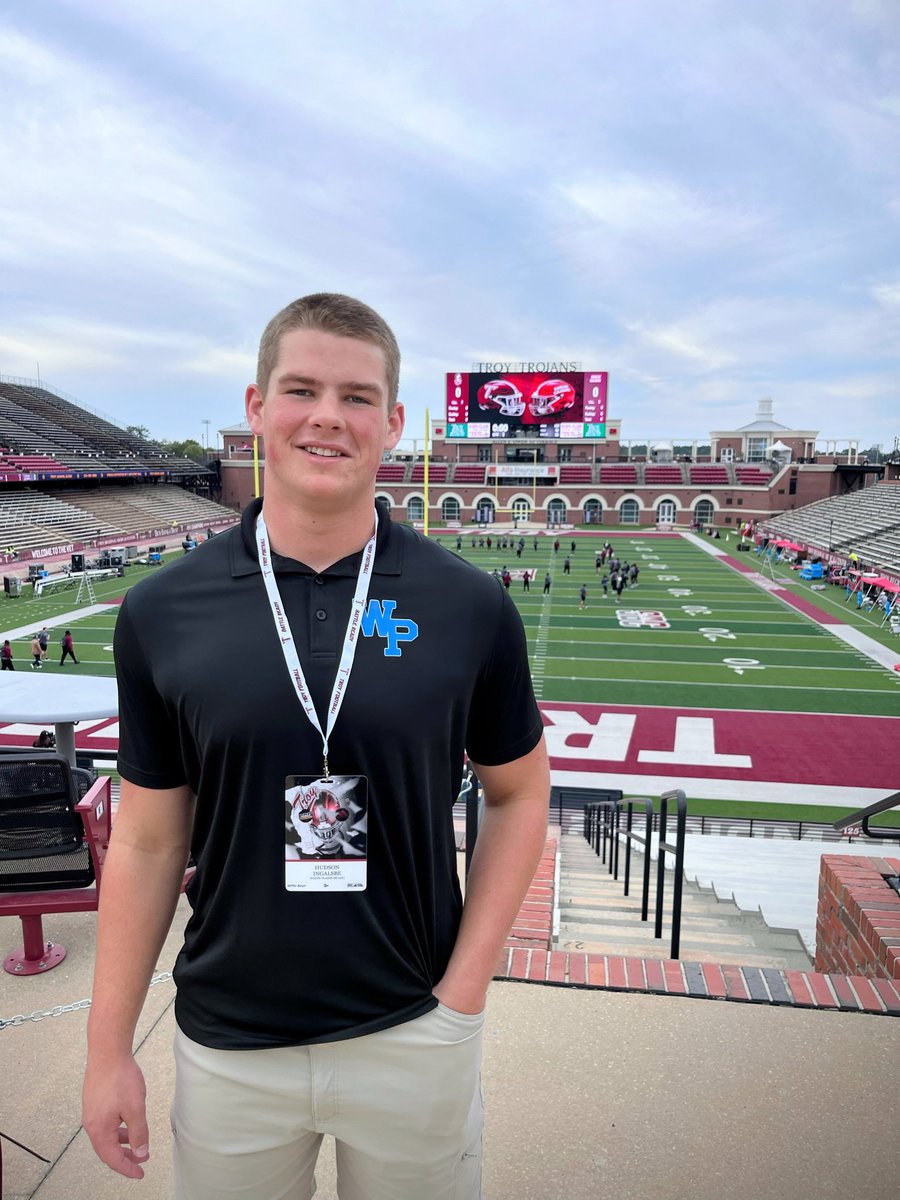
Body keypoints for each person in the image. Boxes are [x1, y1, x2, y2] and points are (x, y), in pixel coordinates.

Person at [83, 293, 549, 1200]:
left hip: (413, 1024)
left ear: (394, 423)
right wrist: (108, 1050)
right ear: (257, 408)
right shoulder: (162, 610)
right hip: (229, 1042)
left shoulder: (468, 604)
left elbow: (520, 792)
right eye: (301, 390)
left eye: (357, 396)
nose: (328, 416)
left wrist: (463, 996)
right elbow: (145, 840)